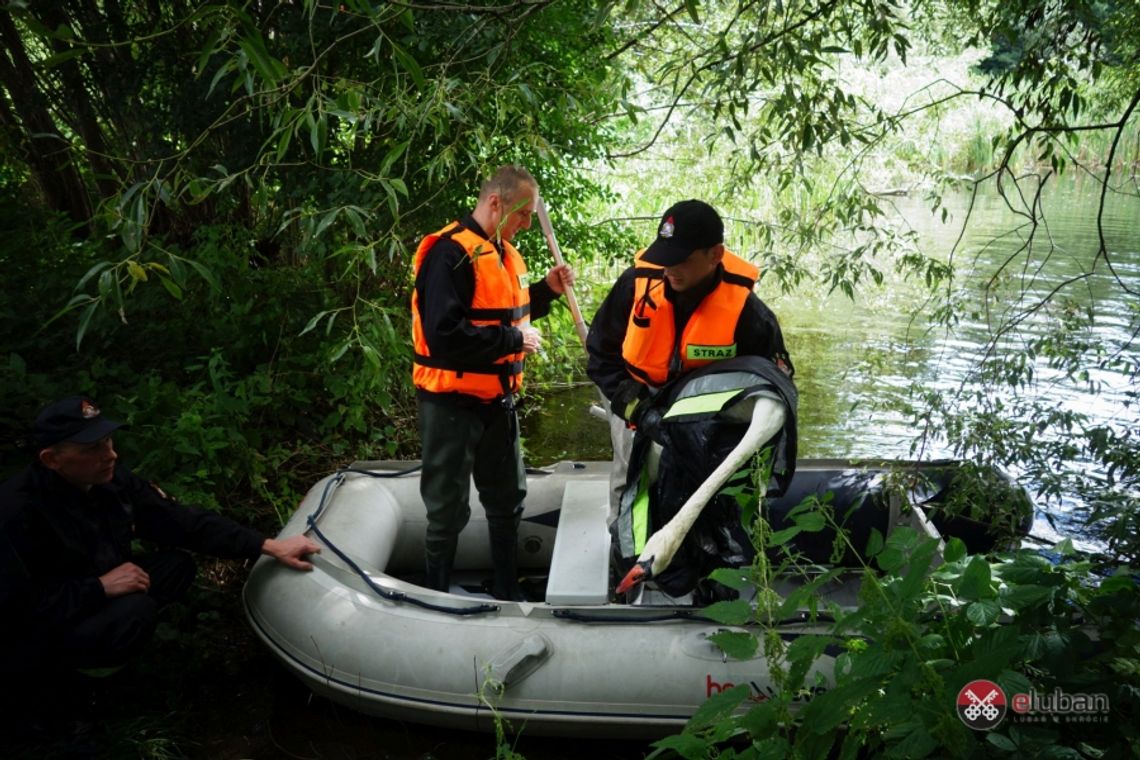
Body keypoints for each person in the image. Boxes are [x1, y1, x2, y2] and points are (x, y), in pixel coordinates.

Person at [0, 395, 321, 675]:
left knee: (175, 567)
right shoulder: (18, 512)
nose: (110, 454)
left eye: (109, 441)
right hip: (45, 620)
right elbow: (20, 608)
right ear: (52, 459)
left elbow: (180, 522)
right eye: (93, 448)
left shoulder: (108, 481)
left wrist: (267, 546)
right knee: (134, 611)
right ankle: (74, 679)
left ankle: (109, 642)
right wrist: (98, 588)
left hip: (96, 583)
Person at [411, 164, 573, 601]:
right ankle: (435, 595)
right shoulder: (450, 255)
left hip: (498, 402)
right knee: (446, 510)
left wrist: (546, 291)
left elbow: (504, 313)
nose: (526, 224)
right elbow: (445, 336)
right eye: (522, 214)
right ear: (495, 202)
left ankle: (507, 588)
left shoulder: (502, 251)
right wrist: (513, 339)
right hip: (451, 405)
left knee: (506, 501)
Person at [586, 199, 794, 520]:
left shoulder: (749, 315)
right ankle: (625, 553)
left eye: (681, 259)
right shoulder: (636, 287)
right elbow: (600, 356)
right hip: (635, 397)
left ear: (715, 256)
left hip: (705, 417)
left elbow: (774, 386)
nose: (669, 268)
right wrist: (636, 408)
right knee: (630, 475)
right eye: (664, 257)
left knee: (698, 482)